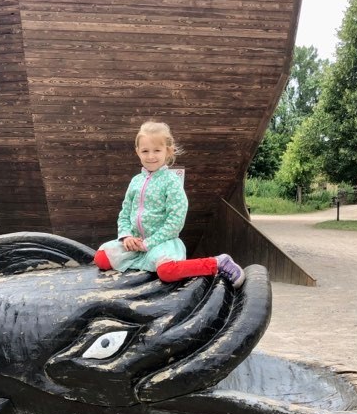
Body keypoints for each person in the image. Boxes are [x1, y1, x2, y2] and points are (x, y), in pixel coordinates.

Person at [93, 120, 245, 288]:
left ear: (168, 151)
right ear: (137, 152)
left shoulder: (171, 182)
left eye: (157, 150)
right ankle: (141, 258)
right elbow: (125, 213)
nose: (151, 156)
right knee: (101, 258)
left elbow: (175, 222)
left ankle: (217, 263)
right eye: (145, 151)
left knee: (167, 272)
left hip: (161, 243)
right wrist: (127, 236)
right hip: (135, 244)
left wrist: (148, 243)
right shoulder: (136, 181)